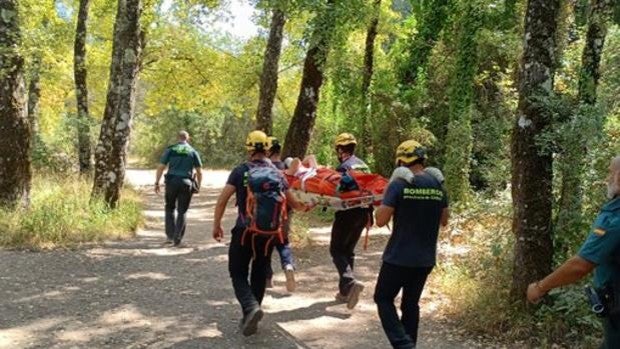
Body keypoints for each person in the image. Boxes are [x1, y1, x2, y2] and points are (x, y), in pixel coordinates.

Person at [212, 130, 311, 336]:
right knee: (259, 270)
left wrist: (217, 225)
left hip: (244, 231)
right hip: (269, 235)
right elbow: (294, 204)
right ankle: (252, 315)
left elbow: (222, 200)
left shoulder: (241, 171)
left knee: (237, 271)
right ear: (267, 148)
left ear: (249, 149)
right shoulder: (278, 174)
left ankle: (250, 308)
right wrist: (309, 205)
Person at [527, 156, 620, 348]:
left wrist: (540, 287)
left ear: (619, 177)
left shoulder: (615, 220)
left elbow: (580, 265)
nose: (607, 177)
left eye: (610, 172)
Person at [373, 140, 449, 349]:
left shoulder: (399, 183)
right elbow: (444, 220)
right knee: (410, 304)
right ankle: (410, 344)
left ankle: (403, 344)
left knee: (383, 298)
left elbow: (380, 220)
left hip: (398, 257)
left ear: (400, 160)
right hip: (425, 258)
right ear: (423, 160)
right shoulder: (437, 184)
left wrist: (390, 186)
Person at [331, 132, 371, 309]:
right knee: (348, 251)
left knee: (336, 249)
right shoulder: (364, 165)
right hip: (363, 213)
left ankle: (350, 283)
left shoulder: (344, 167)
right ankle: (345, 293)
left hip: (347, 213)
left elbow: (337, 191)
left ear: (340, 149)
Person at [154, 131, 203, 247]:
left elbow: (161, 167)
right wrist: (198, 186)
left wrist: (157, 182)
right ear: (188, 139)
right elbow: (200, 172)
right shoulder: (193, 151)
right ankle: (178, 239)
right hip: (186, 183)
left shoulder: (171, 150)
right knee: (182, 210)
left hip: (171, 182)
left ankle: (170, 237)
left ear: (178, 138)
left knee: (169, 208)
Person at [265, 136, 296, 292]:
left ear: (268, 151)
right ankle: (288, 265)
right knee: (283, 243)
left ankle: (268, 279)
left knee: (266, 247)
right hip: (284, 214)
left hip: (266, 216)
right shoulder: (286, 168)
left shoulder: (264, 169)